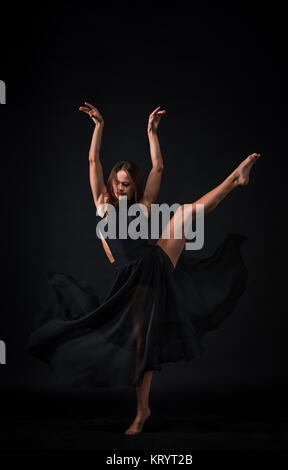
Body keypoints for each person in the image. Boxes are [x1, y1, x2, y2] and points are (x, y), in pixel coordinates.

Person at [25, 102, 261, 435]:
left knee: (184, 214)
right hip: (128, 282)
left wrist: (152, 133)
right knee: (141, 347)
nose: (122, 188)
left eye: (128, 184)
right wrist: (99, 125)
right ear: (112, 184)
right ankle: (143, 411)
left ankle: (236, 178)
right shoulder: (102, 205)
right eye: (118, 183)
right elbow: (93, 160)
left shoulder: (144, 206)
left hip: (153, 264)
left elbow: (159, 168)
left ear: (134, 187)